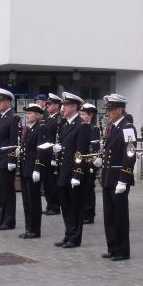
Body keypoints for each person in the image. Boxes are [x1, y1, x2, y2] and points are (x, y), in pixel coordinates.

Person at [99, 94, 136, 261]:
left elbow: (130, 155)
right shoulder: (112, 127)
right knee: (109, 216)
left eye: (111, 110)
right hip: (108, 177)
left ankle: (122, 250)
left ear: (120, 110)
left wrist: (124, 177)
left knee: (120, 216)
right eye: (107, 109)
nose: (108, 113)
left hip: (119, 177)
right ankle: (112, 247)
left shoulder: (128, 128)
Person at [53, 92, 91, 248]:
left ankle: (75, 237)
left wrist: (77, 174)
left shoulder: (81, 125)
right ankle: (68, 233)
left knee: (75, 207)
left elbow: (81, 152)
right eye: (62, 105)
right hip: (63, 171)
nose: (62, 108)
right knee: (66, 206)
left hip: (74, 173)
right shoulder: (65, 124)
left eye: (66, 105)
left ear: (74, 107)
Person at [0, 88, 20, 230]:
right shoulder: (0, 117)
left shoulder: (13, 118)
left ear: (9, 102)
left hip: (6, 161)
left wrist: (12, 160)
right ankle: (2, 218)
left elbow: (14, 141)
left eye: (1, 100)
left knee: (8, 192)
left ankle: (9, 220)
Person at [18, 103, 51, 239]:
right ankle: (28, 228)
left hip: (33, 169)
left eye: (30, 113)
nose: (27, 116)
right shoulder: (28, 129)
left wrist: (37, 167)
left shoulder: (40, 128)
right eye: (26, 113)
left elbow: (40, 149)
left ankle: (35, 230)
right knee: (26, 201)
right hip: (25, 168)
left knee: (34, 201)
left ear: (38, 115)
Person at [40, 93, 63, 216]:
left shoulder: (59, 119)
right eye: (47, 103)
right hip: (45, 153)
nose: (47, 105)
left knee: (53, 182)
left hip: (53, 154)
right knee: (47, 182)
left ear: (56, 105)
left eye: (49, 104)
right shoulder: (48, 118)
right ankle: (49, 204)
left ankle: (54, 206)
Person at [80, 103, 102, 224]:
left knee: (89, 187)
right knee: (83, 187)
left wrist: (93, 162)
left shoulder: (94, 128)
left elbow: (95, 147)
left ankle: (89, 214)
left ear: (91, 115)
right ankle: (83, 211)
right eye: (81, 114)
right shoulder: (82, 126)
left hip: (90, 162)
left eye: (84, 114)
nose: (82, 116)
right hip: (82, 161)